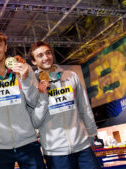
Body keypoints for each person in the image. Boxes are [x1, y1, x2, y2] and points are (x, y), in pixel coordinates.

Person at [0, 30, 49, 169]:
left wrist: (25, 78)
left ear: (5, 47)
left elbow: (34, 102)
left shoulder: (23, 68)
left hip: (28, 143)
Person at [29, 41, 101, 169]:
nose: (46, 57)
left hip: (82, 146)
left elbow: (84, 107)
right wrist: (43, 96)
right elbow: (35, 122)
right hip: (55, 152)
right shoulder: (32, 86)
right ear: (33, 61)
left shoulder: (71, 76)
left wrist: (92, 134)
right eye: (40, 55)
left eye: (48, 53)